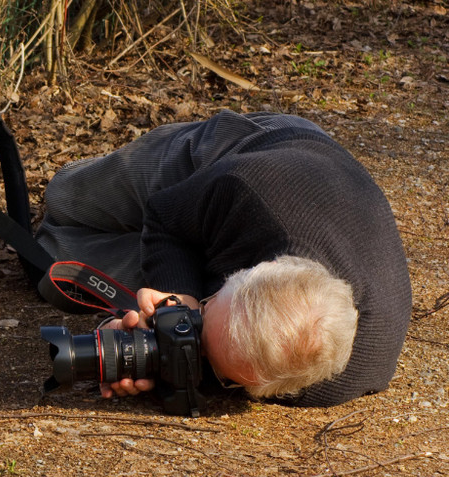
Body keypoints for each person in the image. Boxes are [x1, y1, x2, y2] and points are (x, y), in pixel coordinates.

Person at [35, 110, 411, 407]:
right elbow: (166, 215)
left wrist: (142, 351)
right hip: (241, 157)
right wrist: (179, 291)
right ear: (253, 270)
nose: (193, 333)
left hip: (246, 245)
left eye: (222, 370)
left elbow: (208, 371)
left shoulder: (330, 380)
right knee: (66, 197)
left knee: (45, 256)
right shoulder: (247, 190)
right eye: (206, 310)